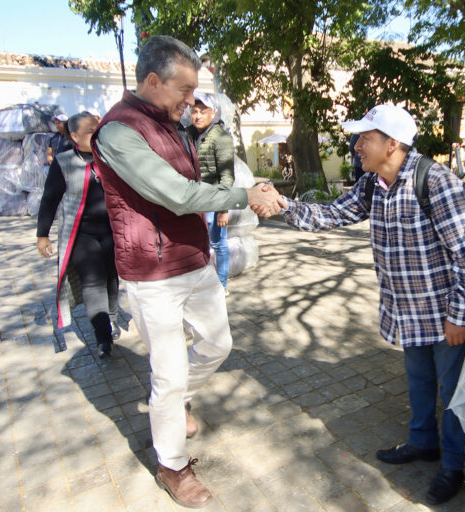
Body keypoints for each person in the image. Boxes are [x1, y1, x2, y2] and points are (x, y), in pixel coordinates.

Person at [90, 35, 282, 509]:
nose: (191, 100)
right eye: (185, 89)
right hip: (151, 271)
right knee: (169, 374)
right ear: (152, 81)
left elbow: (197, 183)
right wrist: (245, 196)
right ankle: (172, 463)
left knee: (219, 343)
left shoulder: (173, 122)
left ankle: (173, 405)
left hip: (194, 259)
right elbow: (176, 194)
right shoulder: (118, 132)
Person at [279, 104, 465, 505]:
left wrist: (459, 317)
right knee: (419, 382)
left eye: (364, 139)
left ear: (392, 144)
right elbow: (331, 214)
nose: (356, 146)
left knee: (455, 392)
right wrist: (286, 206)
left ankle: (455, 465)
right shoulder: (373, 185)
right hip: (407, 310)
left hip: (444, 316)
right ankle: (422, 441)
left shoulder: (435, 181)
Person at [37, 111, 120, 359]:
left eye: (98, 129)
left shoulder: (110, 157)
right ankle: (103, 337)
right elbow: (50, 199)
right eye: (90, 132)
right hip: (81, 234)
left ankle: (112, 319)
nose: (97, 135)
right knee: (93, 282)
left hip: (112, 231)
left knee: (112, 279)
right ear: (74, 136)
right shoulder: (63, 162)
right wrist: (43, 235)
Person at [187, 91, 233, 294]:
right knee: (199, 244)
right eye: (194, 111)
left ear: (213, 113)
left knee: (218, 244)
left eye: (202, 112)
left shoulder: (220, 137)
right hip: (194, 200)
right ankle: (203, 285)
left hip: (214, 201)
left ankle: (221, 285)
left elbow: (227, 176)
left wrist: (224, 209)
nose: (197, 116)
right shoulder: (187, 134)